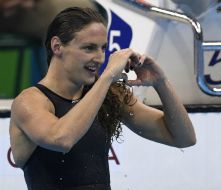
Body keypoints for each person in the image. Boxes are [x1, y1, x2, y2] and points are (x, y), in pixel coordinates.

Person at [9, 7, 196, 190]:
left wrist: (161, 83)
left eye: (103, 48)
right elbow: (62, 139)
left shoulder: (108, 94)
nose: (99, 58)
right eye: (89, 48)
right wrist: (107, 76)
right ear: (57, 46)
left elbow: (183, 138)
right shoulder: (30, 102)